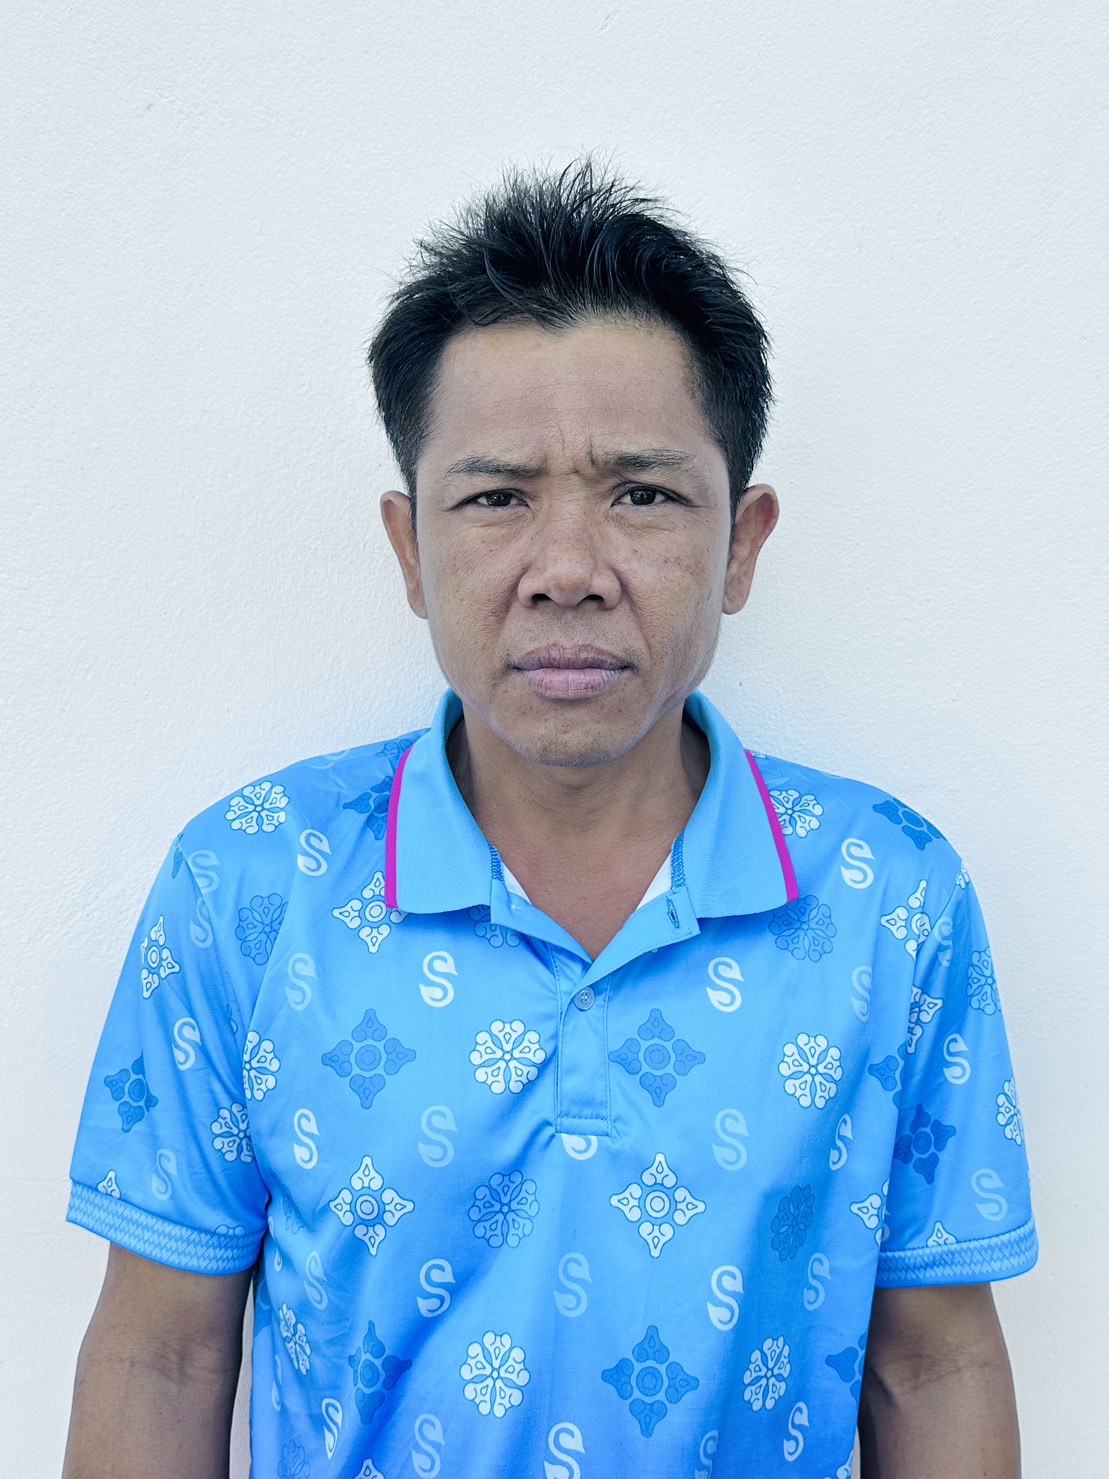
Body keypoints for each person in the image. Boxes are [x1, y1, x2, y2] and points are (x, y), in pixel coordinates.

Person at [63, 163, 1036, 1479]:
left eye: (642, 494)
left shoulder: (886, 894)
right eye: (496, 497)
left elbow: (931, 1361)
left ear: (742, 543)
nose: (568, 570)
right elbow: (164, 1355)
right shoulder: (249, 883)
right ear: (410, 548)